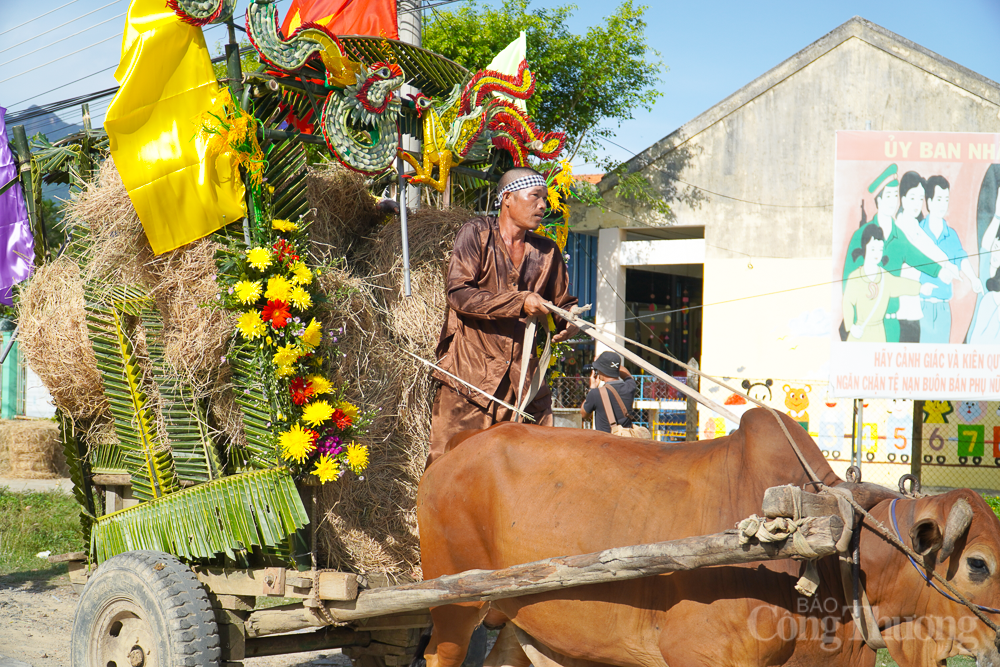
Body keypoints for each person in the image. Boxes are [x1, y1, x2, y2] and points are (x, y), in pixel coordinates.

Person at [427, 167, 579, 466]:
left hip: (524, 387)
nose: (543, 206)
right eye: (535, 196)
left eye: (545, 199)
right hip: (469, 380)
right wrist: (520, 301)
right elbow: (459, 294)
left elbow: (564, 304)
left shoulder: (547, 251)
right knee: (451, 469)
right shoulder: (476, 234)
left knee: (534, 471)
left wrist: (571, 320)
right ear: (507, 198)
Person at [842, 164, 958, 342]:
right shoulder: (862, 235)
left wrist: (940, 271)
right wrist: (852, 323)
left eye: (894, 195)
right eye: (887, 196)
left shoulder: (899, 236)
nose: (891, 201)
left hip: (893, 322)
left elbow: (917, 257)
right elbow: (847, 284)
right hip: (865, 325)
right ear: (878, 201)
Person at [918, 175, 983, 343]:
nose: (943, 204)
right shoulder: (918, 232)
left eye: (946, 199)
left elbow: (961, 258)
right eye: (939, 199)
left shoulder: (951, 234)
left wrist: (974, 278)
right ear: (929, 202)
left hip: (943, 309)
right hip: (920, 306)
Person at [843, 225, 934, 342]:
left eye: (880, 249)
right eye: (872, 249)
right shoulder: (855, 277)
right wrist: (851, 326)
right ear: (864, 248)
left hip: (879, 334)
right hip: (859, 333)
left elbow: (901, 285)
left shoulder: (885, 277)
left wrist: (921, 288)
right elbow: (847, 302)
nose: (877, 253)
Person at [967, 184, 1000, 344]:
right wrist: (997, 216)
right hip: (976, 342)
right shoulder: (986, 268)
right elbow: (986, 245)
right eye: (996, 247)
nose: (996, 252)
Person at [579, 351, 637, 433]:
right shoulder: (630, 387)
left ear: (601, 369)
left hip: (604, 442)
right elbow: (627, 374)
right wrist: (612, 364)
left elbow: (583, 414)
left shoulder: (595, 393)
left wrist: (592, 387)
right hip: (625, 441)